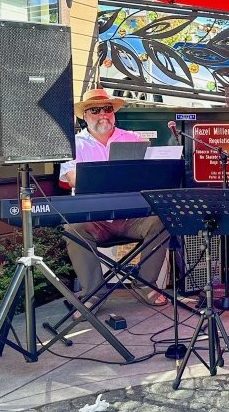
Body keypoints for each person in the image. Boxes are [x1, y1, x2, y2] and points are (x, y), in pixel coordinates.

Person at [59, 89, 169, 317]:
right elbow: (73, 180)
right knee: (72, 230)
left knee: (163, 221)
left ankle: (145, 284)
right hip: (94, 219)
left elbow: (150, 176)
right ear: (84, 116)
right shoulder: (73, 144)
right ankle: (93, 293)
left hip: (131, 217)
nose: (103, 114)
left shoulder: (134, 139)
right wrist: (116, 176)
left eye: (108, 109)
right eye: (95, 110)